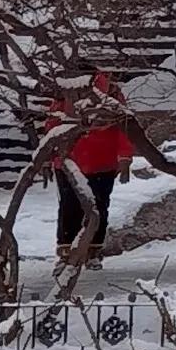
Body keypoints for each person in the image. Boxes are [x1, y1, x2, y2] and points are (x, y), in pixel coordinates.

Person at [51, 72, 135, 263]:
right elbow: (53, 125)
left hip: (101, 163)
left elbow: (125, 128)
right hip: (68, 161)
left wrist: (124, 158)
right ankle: (68, 248)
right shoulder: (65, 93)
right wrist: (50, 156)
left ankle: (92, 249)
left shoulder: (111, 97)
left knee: (97, 205)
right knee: (69, 204)